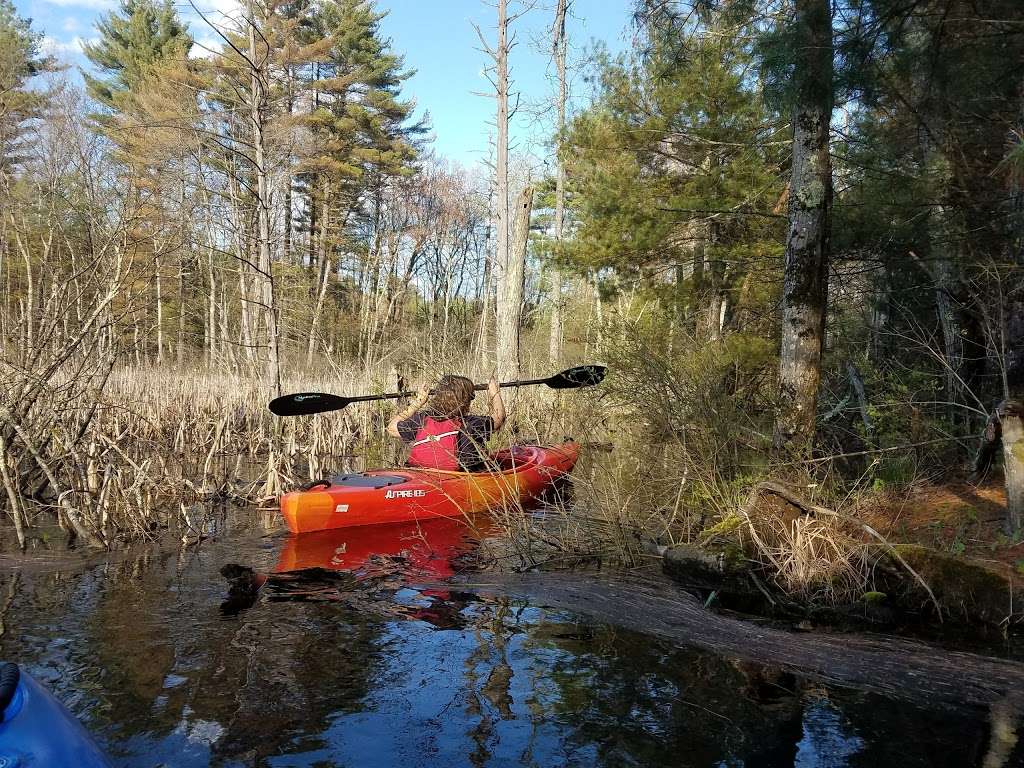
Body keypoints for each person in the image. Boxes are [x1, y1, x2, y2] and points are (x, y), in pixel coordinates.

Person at [386, 375, 506, 471]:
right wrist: (494, 393)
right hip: (462, 481)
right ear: (465, 400)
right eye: (471, 397)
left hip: (422, 475)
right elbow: (499, 418)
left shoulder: (422, 420)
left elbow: (391, 428)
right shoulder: (472, 423)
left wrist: (418, 402)